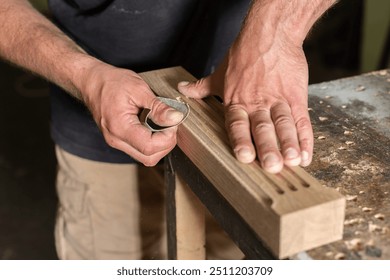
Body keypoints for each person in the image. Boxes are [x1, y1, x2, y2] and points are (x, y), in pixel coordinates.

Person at [0, 0, 336, 259]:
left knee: (238, 251)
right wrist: (84, 77)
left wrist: (273, 35)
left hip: (237, 113)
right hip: (99, 106)